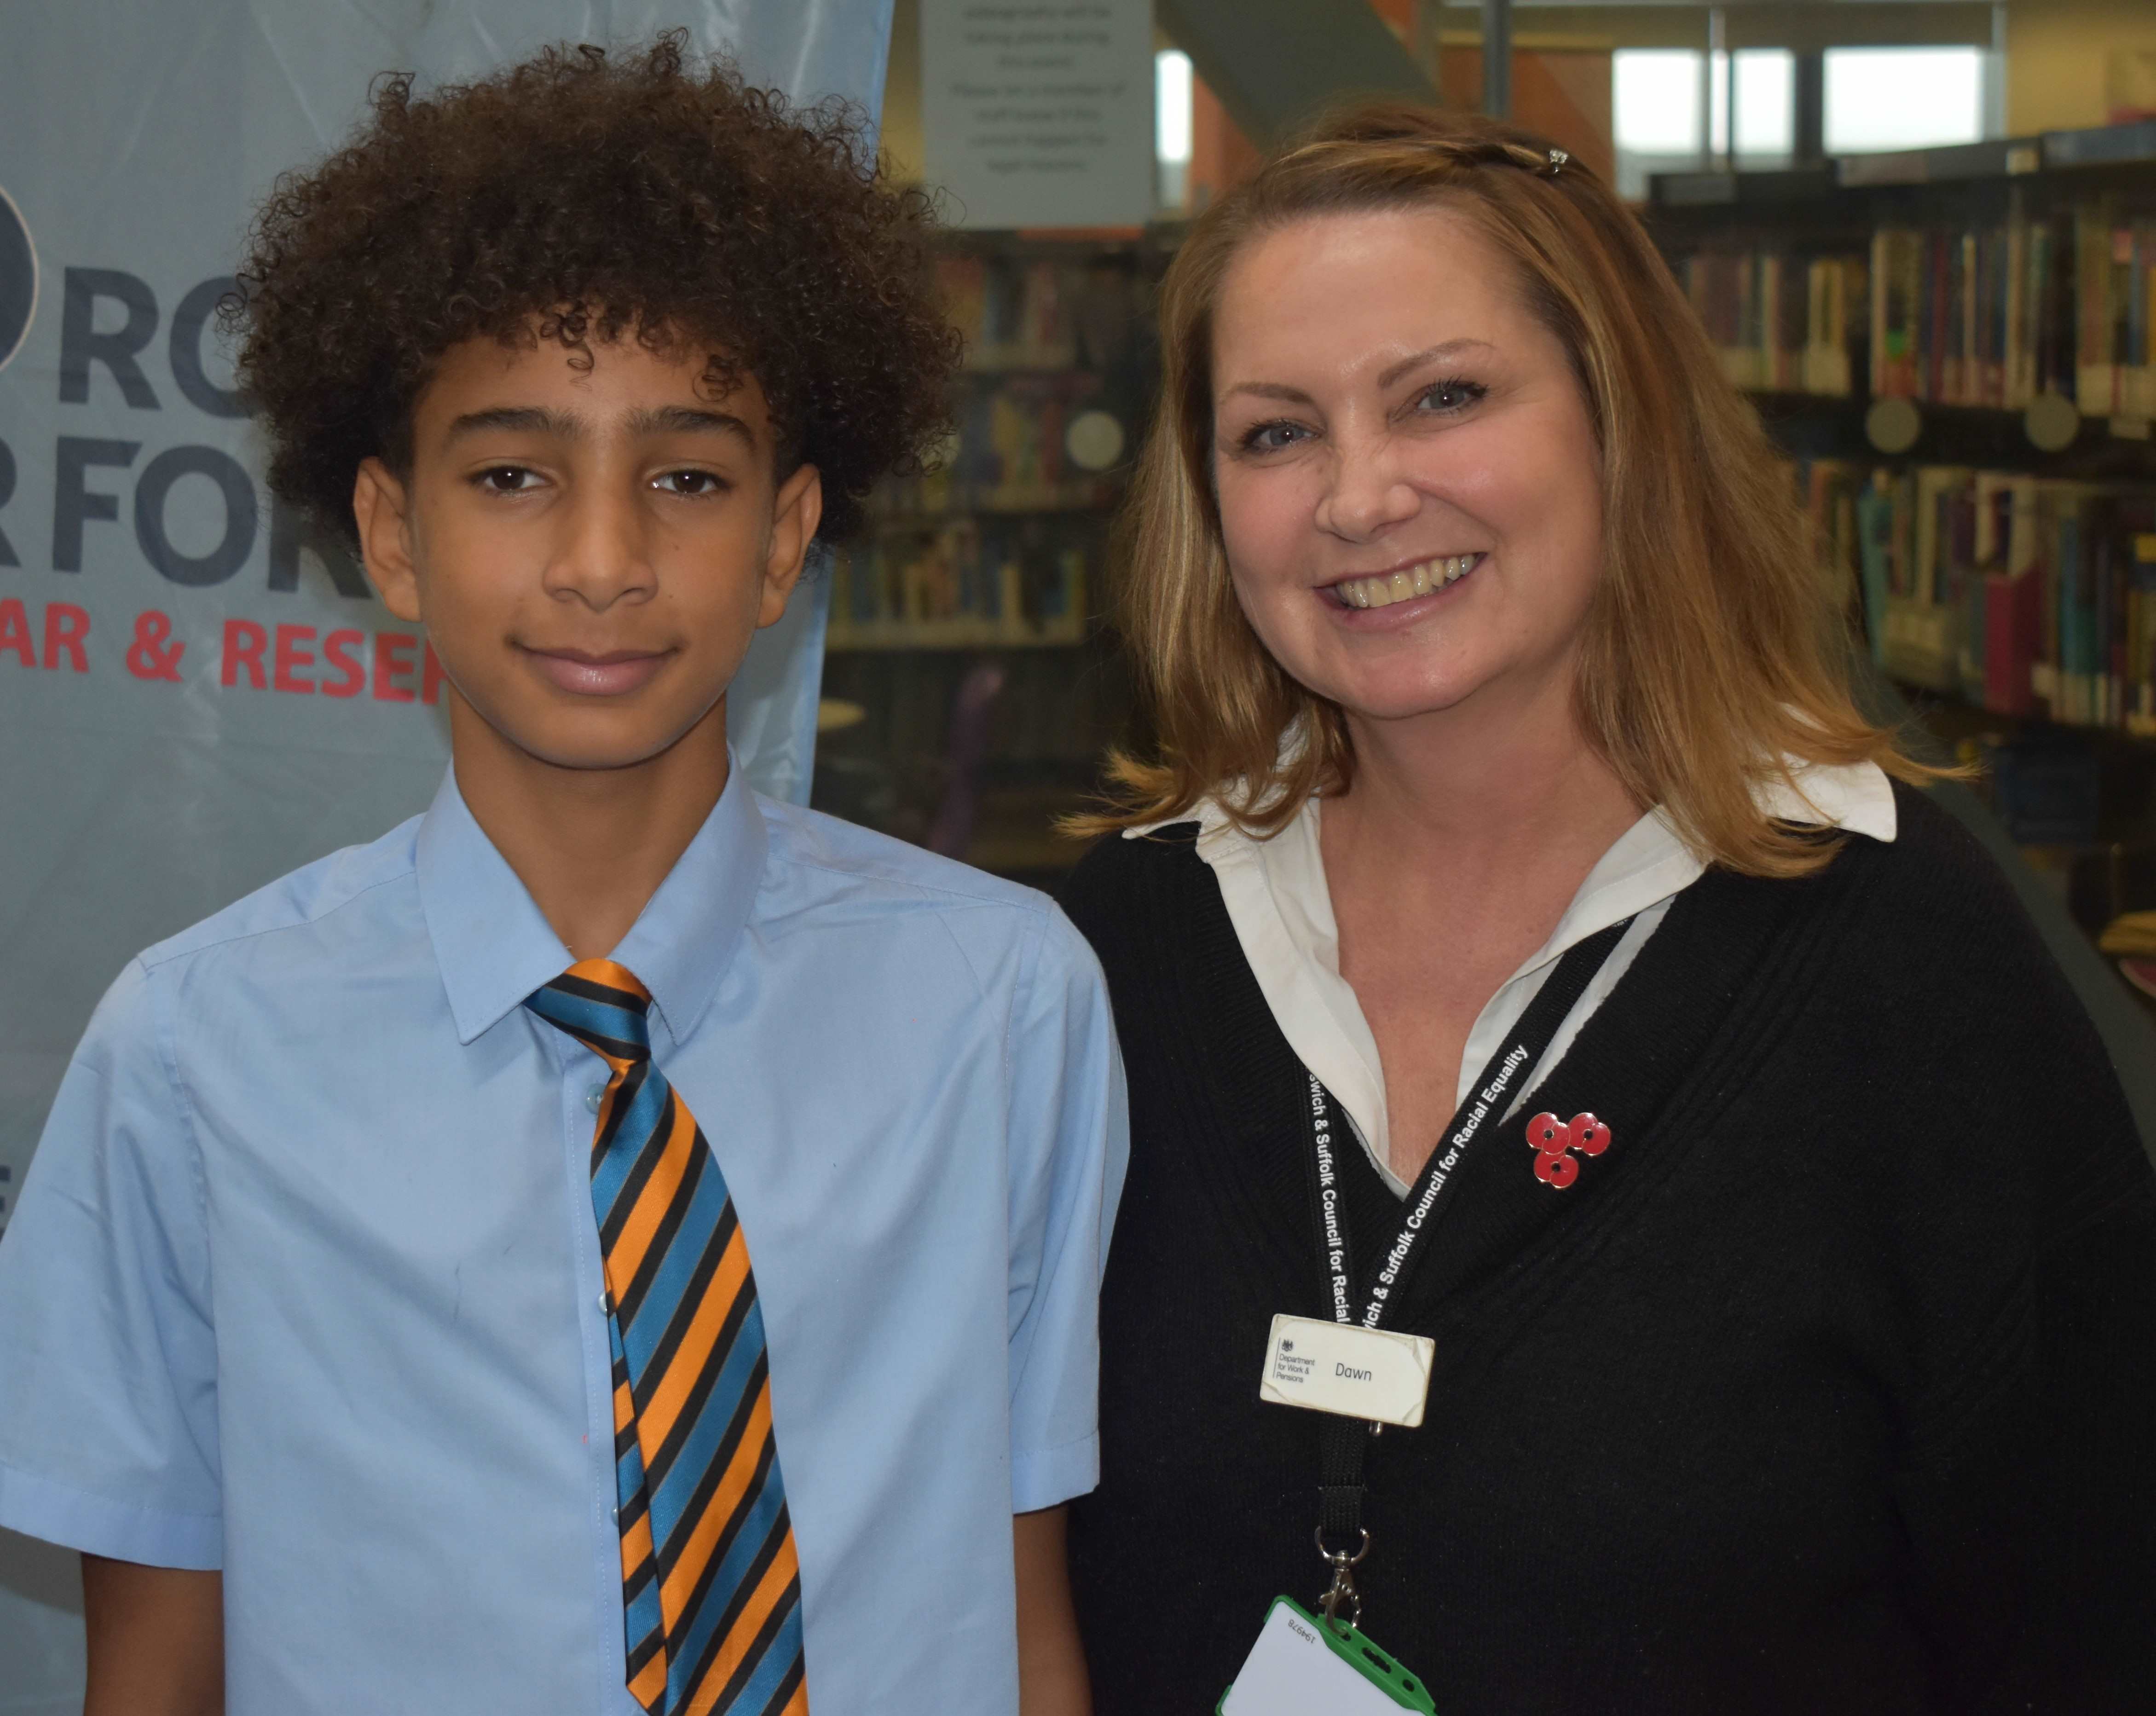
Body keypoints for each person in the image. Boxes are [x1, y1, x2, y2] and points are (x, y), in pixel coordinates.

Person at [0, 39, 1122, 1716]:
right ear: (392, 533)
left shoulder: (1002, 1003)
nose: (603, 562)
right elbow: (154, 1669)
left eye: (688, 478)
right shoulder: (193, 1054)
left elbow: (1021, 1606)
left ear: (784, 540)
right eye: (513, 474)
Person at [1058, 104, 2156, 1713]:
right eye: (1277, 432)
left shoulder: (1896, 949)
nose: (1359, 496)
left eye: (1444, 397)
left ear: (1618, 420)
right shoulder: (1115, 946)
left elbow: (2091, 1611)